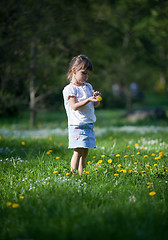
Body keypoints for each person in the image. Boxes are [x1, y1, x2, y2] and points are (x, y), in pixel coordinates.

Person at [63, 54, 101, 175]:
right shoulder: (70, 89)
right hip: (77, 125)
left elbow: (95, 105)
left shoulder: (88, 86)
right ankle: (73, 174)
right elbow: (74, 106)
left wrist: (95, 99)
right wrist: (88, 100)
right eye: (84, 73)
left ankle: (82, 174)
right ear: (74, 70)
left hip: (88, 123)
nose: (86, 77)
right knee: (78, 151)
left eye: (88, 74)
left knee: (85, 152)